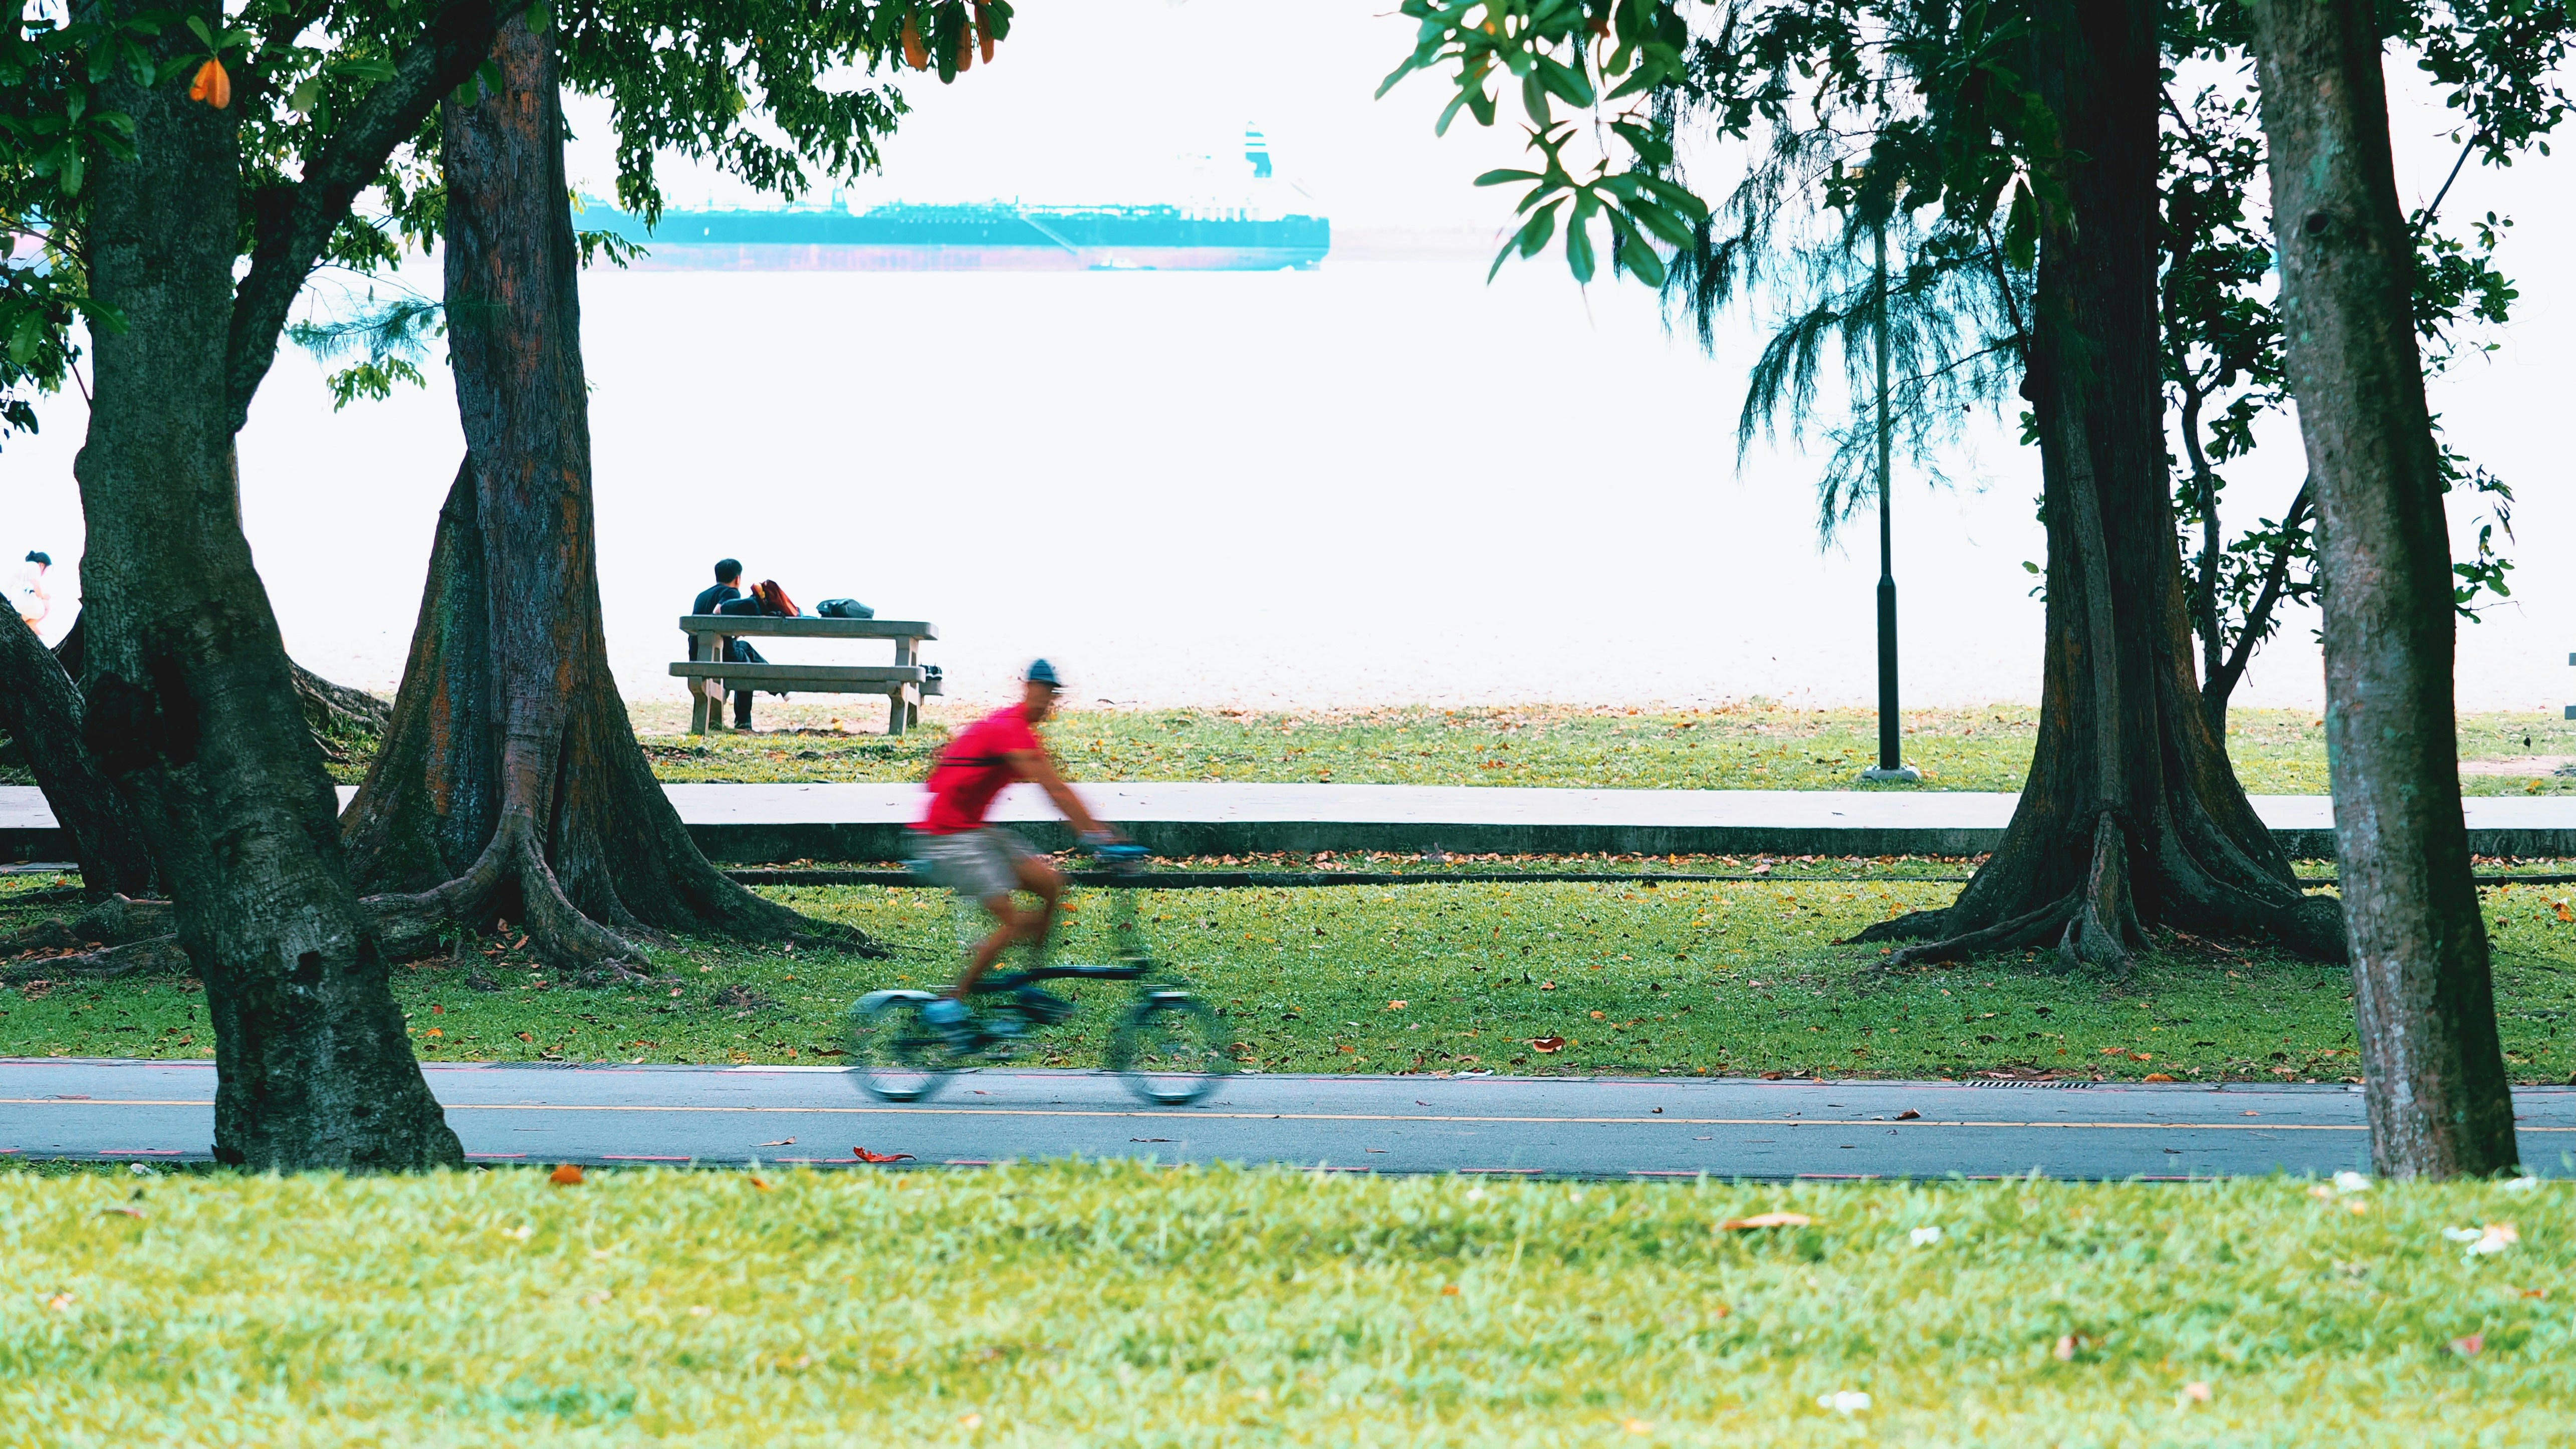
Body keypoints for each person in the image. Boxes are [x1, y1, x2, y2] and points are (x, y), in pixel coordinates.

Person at [910, 660, 1123, 1044]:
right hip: (948, 837)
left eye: (1052, 696)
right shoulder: (1010, 730)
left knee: (1051, 885)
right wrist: (1102, 837)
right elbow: (1055, 790)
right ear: (1026, 688)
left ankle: (1028, 985)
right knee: (1011, 923)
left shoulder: (1016, 730)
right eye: (1041, 692)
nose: (1046, 702)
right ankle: (951, 1002)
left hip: (973, 830)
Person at [687, 558, 761, 730]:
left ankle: (781, 689)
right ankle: (743, 722)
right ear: (738, 579)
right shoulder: (732, 593)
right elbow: (718, 613)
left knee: (745, 647)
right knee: (747, 668)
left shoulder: (702, 596)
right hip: (719, 655)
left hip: (697, 655)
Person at [11, 551, 50, 628]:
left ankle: (22, 626)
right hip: (17, 602)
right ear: (42, 565)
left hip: (12, 601)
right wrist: (43, 597)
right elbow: (36, 587)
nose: (44, 573)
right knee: (46, 605)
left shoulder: (25, 567)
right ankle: (24, 629)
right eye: (46, 570)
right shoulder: (34, 566)